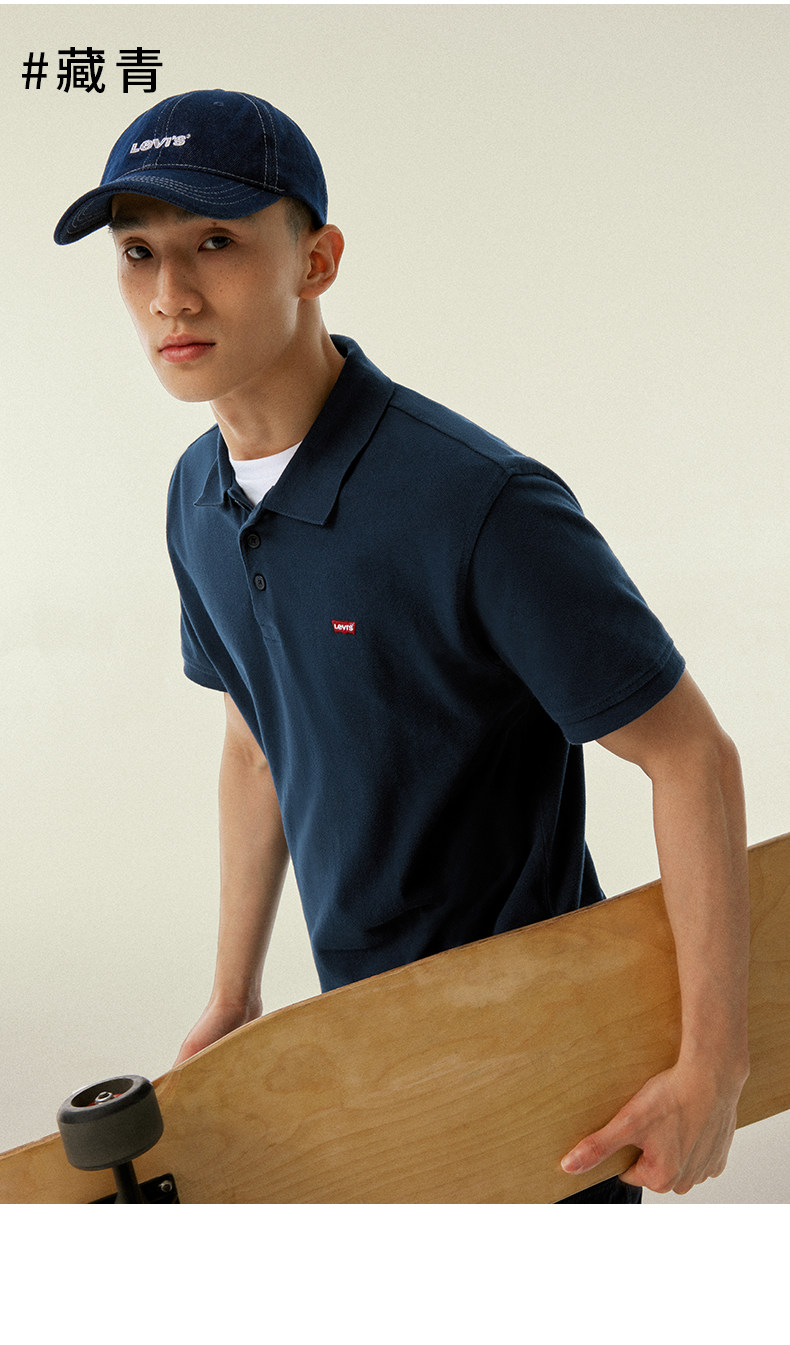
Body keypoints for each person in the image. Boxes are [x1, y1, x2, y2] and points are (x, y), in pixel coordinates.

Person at [55, 89, 750, 1203]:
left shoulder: (477, 503)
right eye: (138, 253)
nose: (170, 294)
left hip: (550, 1067)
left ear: (317, 260)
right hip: (371, 1059)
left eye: (216, 242)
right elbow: (256, 743)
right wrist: (235, 995)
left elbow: (691, 755)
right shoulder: (196, 497)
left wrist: (712, 1067)